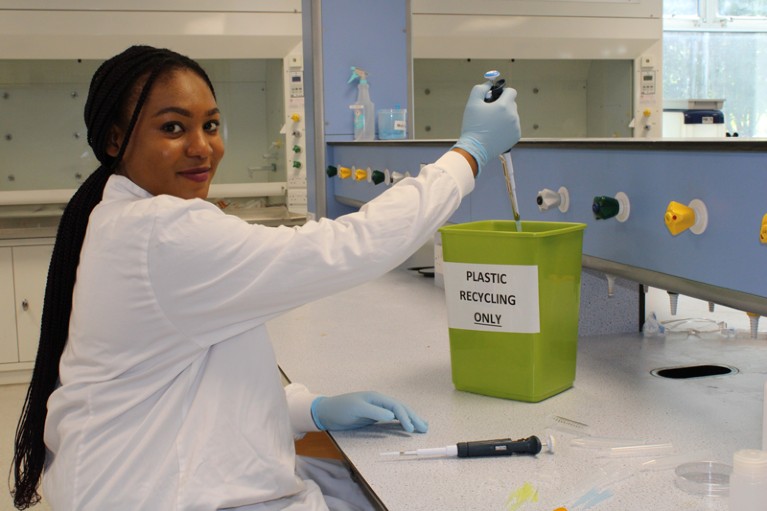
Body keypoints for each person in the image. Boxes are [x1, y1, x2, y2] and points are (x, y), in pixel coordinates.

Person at [11, 45, 520, 510]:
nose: (201, 147)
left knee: (367, 482)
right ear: (115, 140)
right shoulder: (159, 234)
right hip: (155, 492)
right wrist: (470, 152)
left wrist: (307, 410)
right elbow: (350, 247)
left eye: (211, 125)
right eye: (172, 128)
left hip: (143, 475)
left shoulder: (127, 219)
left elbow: (192, 378)